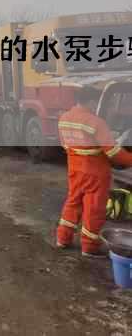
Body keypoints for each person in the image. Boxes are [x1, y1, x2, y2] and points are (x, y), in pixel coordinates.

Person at [56, 86, 132, 257]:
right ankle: (89, 247)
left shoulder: (64, 118)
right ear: (91, 101)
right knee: (94, 209)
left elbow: (65, 145)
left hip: (75, 169)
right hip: (96, 173)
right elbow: (113, 152)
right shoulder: (95, 122)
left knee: (73, 202)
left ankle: (63, 238)